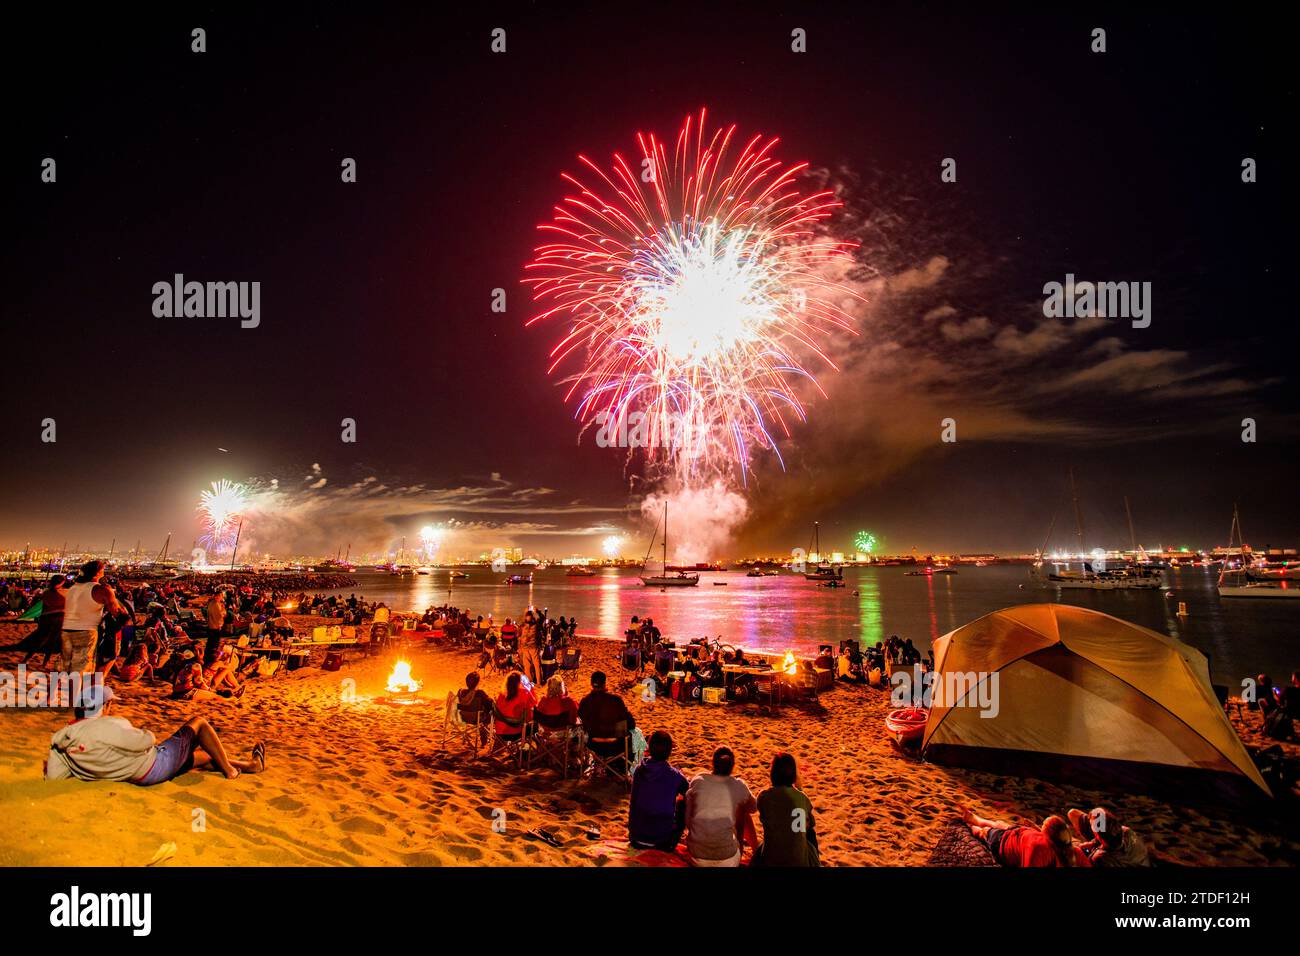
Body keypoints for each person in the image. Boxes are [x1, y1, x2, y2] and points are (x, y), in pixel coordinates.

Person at [45, 684, 265, 785]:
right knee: (198, 723)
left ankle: (250, 766)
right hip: (152, 767)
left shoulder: (64, 738)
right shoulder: (109, 725)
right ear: (105, 706)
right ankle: (230, 771)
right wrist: (144, 732)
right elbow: (146, 740)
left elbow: (54, 776)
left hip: (130, 771)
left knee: (200, 757)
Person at [684, 746, 757, 867]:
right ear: (733, 765)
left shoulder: (698, 780)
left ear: (712, 763)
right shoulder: (738, 785)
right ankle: (755, 851)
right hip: (727, 860)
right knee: (744, 810)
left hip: (697, 857)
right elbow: (753, 807)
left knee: (690, 800)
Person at [961, 807, 1090, 867]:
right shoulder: (1072, 849)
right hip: (1020, 832)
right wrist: (1035, 829)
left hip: (1004, 842)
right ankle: (975, 818)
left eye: (1043, 826)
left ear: (1049, 837)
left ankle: (968, 825)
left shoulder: (1039, 850)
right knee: (999, 824)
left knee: (984, 832)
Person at [753, 752, 819, 866]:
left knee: (760, 849)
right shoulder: (802, 798)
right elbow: (810, 824)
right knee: (810, 833)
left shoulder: (764, 797)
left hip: (771, 860)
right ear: (794, 776)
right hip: (799, 862)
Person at [61, 561, 126, 676]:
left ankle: (62, 692)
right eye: (103, 569)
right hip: (86, 632)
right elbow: (118, 613)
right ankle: (79, 693)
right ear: (97, 573)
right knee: (82, 669)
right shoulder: (101, 590)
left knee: (68, 666)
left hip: (66, 630)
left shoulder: (73, 588)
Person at [628, 730, 688, 851]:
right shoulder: (673, 775)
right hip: (662, 840)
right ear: (669, 752)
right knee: (683, 803)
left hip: (635, 837)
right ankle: (672, 841)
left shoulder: (639, 770)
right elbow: (688, 790)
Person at [578, 671, 636, 772]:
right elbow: (631, 723)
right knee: (633, 735)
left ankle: (603, 762)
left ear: (591, 684)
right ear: (605, 683)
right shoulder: (616, 700)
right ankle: (619, 768)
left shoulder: (585, 702)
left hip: (593, 743)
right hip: (615, 745)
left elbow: (580, 720)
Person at [1067, 807, 1151, 867]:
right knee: (1073, 813)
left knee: (1073, 845)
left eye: (1091, 824)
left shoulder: (1100, 858)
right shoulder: (1126, 831)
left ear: (1097, 834)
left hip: (1111, 857)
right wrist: (1093, 843)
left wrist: (1081, 847)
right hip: (1139, 859)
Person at [18, 574, 67, 667]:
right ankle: (45, 662)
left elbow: (44, 607)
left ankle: (26, 659)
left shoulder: (46, 592)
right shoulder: (63, 593)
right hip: (58, 618)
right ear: (61, 583)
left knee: (40, 640)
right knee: (51, 641)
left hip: (46, 617)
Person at [493, 671, 536, 744]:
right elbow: (534, 704)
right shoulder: (524, 692)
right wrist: (530, 689)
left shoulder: (501, 694)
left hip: (500, 733)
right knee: (535, 725)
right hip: (517, 733)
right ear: (519, 682)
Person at [456, 672, 493, 746]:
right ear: (477, 683)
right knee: (489, 713)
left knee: (483, 710)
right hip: (476, 718)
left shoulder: (460, 692)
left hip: (461, 717)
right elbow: (490, 704)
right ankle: (484, 736)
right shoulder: (480, 693)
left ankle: (483, 732)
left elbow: (456, 704)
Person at [519, 610, 543, 685]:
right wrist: (538, 611)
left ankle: (530, 681)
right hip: (532, 647)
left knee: (527, 666)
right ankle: (538, 682)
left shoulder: (523, 625)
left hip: (526, 647)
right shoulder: (536, 625)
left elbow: (520, 635)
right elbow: (542, 618)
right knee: (536, 665)